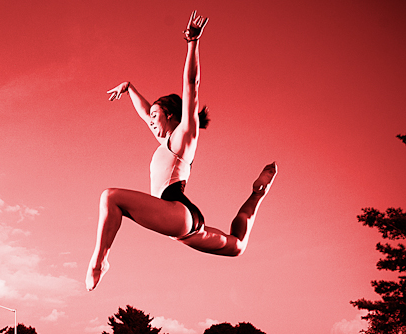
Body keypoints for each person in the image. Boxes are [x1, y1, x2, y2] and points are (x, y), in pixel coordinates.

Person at [86, 10, 277, 291]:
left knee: (110, 197)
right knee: (236, 246)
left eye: (155, 115)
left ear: (173, 116)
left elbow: (192, 86)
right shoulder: (168, 142)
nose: (150, 121)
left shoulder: (185, 136)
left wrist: (192, 43)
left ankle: (99, 262)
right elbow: (143, 113)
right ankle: (258, 194)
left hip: (175, 210)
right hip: (186, 224)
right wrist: (129, 88)